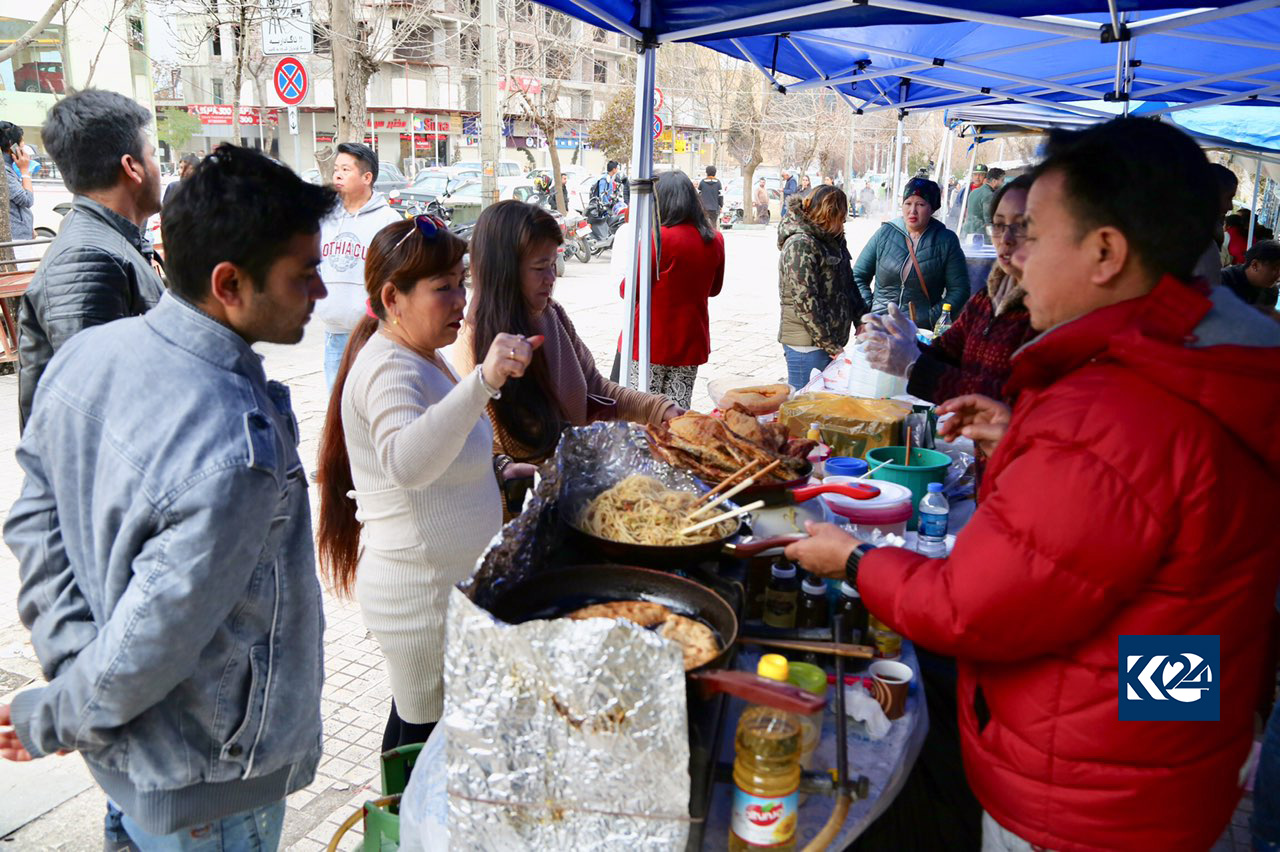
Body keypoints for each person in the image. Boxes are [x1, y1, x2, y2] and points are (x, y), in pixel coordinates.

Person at [786, 117, 1280, 852]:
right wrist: (1027, 439)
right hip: (1164, 747)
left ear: (1106, 252)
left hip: (1090, 794)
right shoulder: (1198, 362)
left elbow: (968, 608)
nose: (1011, 258)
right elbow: (1157, 550)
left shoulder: (1112, 411)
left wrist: (853, 559)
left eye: (1033, 237)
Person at [1, 145, 336, 850]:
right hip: (206, 788)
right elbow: (147, 642)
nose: (322, 292)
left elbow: (36, 521)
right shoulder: (235, 450)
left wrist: (71, 670)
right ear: (229, 283)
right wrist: (60, 711)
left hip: (134, 755)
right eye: (304, 273)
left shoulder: (94, 353)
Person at [316, 214, 537, 752]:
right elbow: (407, 463)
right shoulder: (387, 367)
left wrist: (499, 472)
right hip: (421, 601)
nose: (460, 301)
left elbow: (443, 451)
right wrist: (484, 381)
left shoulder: (417, 353)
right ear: (393, 298)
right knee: (422, 741)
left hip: (444, 590)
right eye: (443, 289)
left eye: (461, 284)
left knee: (428, 730)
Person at [453, 201, 678, 472]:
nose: (551, 278)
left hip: (576, 471)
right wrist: (621, 440)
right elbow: (524, 445)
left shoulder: (551, 313)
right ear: (504, 270)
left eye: (552, 264)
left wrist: (659, 409)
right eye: (539, 268)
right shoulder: (477, 345)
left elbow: (594, 385)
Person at [16, 89, 165, 431]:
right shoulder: (86, 259)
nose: (158, 168)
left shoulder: (110, 242)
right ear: (132, 168)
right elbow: (93, 415)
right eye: (153, 155)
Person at [860, 174, 1035, 403]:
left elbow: (1008, 399)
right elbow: (946, 351)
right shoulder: (985, 299)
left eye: (1021, 225)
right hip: (887, 332)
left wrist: (924, 331)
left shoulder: (1046, 310)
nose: (1006, 238)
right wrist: (910, 344)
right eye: (999, 225)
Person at [615, 171, 725, 407]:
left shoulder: (658, 239)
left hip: (649, 341)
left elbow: (629, 290)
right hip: (690, 340)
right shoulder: (715, 239)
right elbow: (714, 289)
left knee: (643, 412)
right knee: (676, 414)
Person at [315, 141, 402, 390]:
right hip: (334, 335)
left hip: (372, 334)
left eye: (346, 169)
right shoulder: (327, 219)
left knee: (370, 403)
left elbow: (396, 275)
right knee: (337, 409)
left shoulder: (387, 221)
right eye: (336, 169)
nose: (338, 175)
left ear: (367, 177)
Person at [777, 185, 864, 389]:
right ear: (828, 214)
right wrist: (831, 346)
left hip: (828, 343)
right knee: (804, 409)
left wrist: (862, 318)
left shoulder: (833, 239)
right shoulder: (800, 244)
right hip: (806, 346)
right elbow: (806, 303)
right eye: (841, 217)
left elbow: (848, 283)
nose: (843, 223)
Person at [853, 177, 969, 329]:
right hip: (878, 326)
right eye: (908, 203)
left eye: (920, 204)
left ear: (933, 208)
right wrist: (867, 311)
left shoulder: (946, 240)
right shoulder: (885, 233)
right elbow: (858, 276)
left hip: (919, 331)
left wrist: (930, 318)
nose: (912, 210)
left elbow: (960, 290)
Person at [1221, 238, 1280, 312]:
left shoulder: (1271, 292)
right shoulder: (1222, 281)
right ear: (1255, 265)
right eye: (1275, 269)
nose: (1278, 275)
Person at [1, 120, 34, 241]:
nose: (23, 148)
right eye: (22, 143)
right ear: (12, 145)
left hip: (18, 235)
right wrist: (25, 171)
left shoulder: (8, 167)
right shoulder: (4, 170)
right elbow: (27, 200)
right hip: (14, 239)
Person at [961, 166, 1004, 238]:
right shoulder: (989, 195)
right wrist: (994, 238)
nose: (1003, 183)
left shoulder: (974, 192)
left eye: (980, 175)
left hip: (968, 233)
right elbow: (989, 220)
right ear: (994, 181)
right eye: (1002, 180)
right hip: (980, 237)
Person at [697, 165, 723, 231]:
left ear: (706, 172)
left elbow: (698, 195)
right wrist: (721, 205)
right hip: (714, 208)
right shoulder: (718, 183)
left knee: (703, 224)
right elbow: (720, 196)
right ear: (715, 172)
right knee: (714, 225)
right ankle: (714, 237)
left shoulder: (702, 182)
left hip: (704, 208)